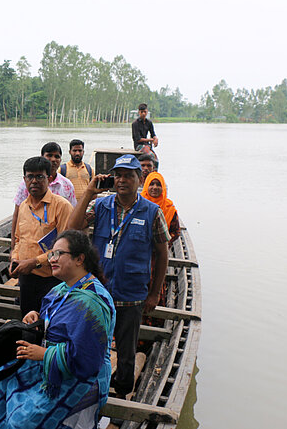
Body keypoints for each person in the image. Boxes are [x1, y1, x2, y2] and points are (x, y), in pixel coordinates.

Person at [0, 230, 115, 429]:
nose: (52, 259)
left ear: (80, 259)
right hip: (50, 363)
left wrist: (44, 354)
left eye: (58, 254)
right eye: (51, 254)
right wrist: (37, 318)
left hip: (79, 376)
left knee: (22, 422)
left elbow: (87, 360)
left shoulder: (90, 304)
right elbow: (52, 321)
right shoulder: (62, 289)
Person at [67, 154, 169, 399]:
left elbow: (163, 255)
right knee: (90, 342)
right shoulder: (101, 205)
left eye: (128, 175)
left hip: (132, 296)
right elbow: (72, 227)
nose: (122, 180)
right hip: (99, 294)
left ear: (139, 178)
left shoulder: (152, 212)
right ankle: (90, 391)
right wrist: (90, 192)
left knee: (126, 352)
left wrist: (154, 293)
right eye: (118, 175)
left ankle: (122, 397)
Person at [10, 156, 74, 316]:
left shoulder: (62, 206)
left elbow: (66, 248)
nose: (34, 181)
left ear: (50, 178)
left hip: (52, 279)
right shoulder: (24, 206)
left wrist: (35, 262)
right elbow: (18, 239)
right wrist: (14, 259)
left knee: (51, 325)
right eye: (30, 176)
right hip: (26, 278)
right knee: (28, 323)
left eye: (40, 177)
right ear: (24, 179)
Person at [11, 142, 76, 249]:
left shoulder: (66, 186)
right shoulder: (25, 187)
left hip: (54, 247)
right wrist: (13, 246)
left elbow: (72, 216)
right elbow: (17, 215)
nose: (53, 159)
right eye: (49, 155)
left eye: (57, 156)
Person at [142, 171, 180, 246]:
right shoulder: (138, 203)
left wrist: (163, 243)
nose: (155, 187)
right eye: (151, 184)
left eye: (158, 185)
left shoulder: (169, 208)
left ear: (162, 187)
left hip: (160, 249)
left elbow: (175, 232)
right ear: (146, 186)